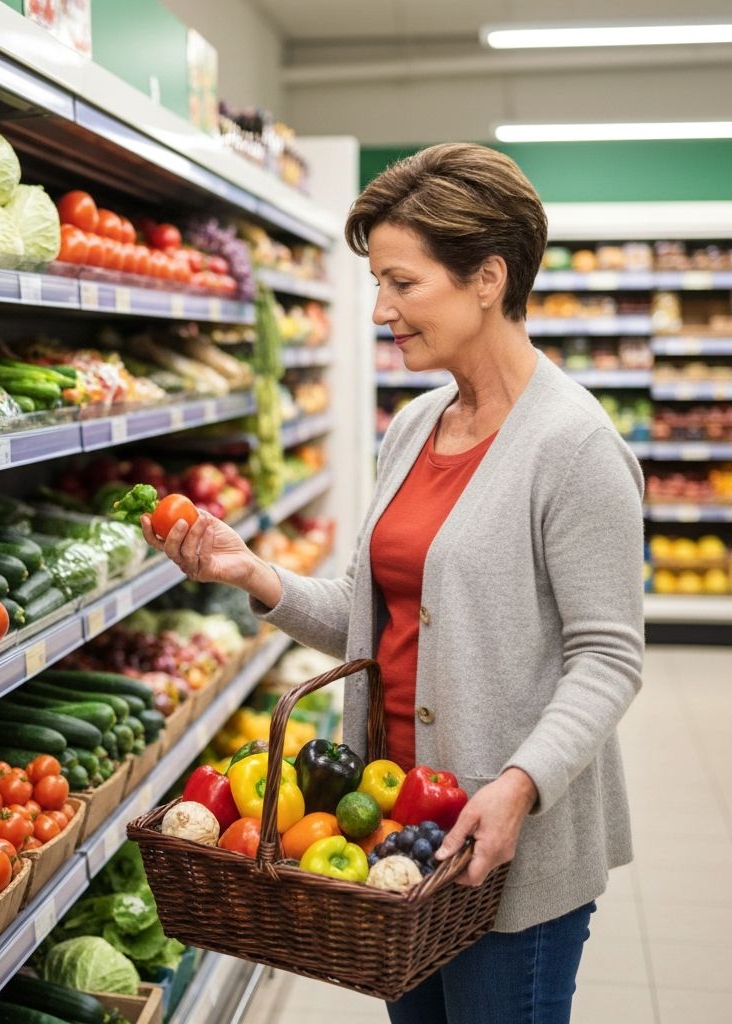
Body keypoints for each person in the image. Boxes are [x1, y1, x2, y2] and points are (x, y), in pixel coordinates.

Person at [141, 143, 644, 1024]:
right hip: (394, 836)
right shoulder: (413, 425)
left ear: (488, 278)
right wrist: (253, 574)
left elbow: (607, 658)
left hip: (504, 846)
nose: (380, 310)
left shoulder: (574, 446)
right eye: (378, 283)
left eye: (401, 284)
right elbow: (367, 617)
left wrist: (518, 784)